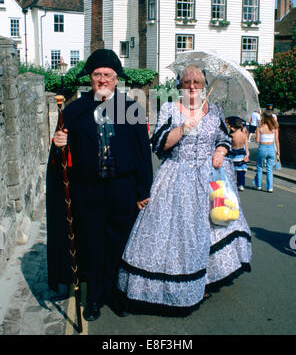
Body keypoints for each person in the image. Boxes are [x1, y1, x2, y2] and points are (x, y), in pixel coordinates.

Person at [117, 64, 252, 316]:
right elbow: (158, 144)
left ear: (203, 85)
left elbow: (223, 138)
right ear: (180, 85)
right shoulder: (170, 108)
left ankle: (204, 278)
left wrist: (220, 151)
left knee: (210, 230)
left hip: (210, 180)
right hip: (176, 179)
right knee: (179, 234)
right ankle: (164, 289)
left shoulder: (215, 110)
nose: (192, 87)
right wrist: (182, 129)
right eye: (187, 82)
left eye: (197, 82)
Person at [46, 49, 153, 321]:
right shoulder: (73, 111)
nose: (102, 79)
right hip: (87, 191)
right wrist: (58, 146)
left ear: (117, 79)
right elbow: (61, 155)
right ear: (90, 78)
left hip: (123, 190)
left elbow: (143, 153)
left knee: (119, 242)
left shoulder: (132, 110)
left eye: (107, 75)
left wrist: (143, 191)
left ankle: (114, 292)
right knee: (92, 244)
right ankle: (93, 296)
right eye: (97, 74)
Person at [252, 110, 280, 193]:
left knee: (260, 167)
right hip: (271, 148)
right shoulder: (275, 127)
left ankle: (259, 185)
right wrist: (278, 150)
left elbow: (257, 140)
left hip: (262, 148)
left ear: (263, 117)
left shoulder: (260, 127)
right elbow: (276, 140)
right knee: (269, 169)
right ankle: (270, 187)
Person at [228, 117, 249, 191]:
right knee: (241, 171)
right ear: (241, 126)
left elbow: (229, 145)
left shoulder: (232, 135)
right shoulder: (244, 135)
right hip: (241, 154)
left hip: (233, 154)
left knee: (232, 171)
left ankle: (232, 184)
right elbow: (246, 147)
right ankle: (241, 184)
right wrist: (247, 155)